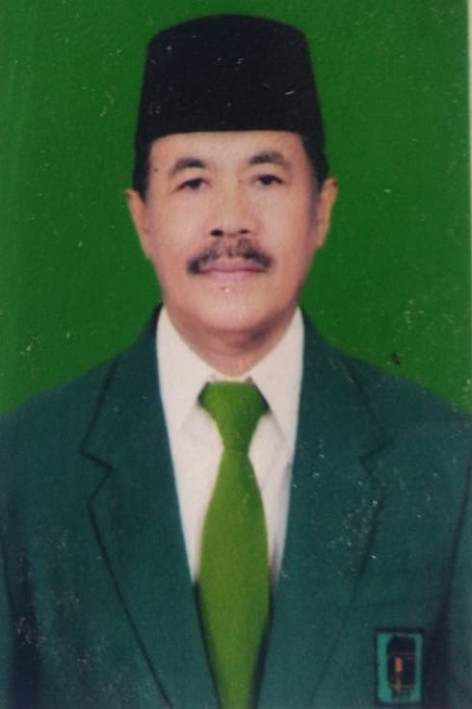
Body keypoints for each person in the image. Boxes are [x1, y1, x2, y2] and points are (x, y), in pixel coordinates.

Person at [0, 14, 471, 709]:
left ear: (321, 210)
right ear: (143, 218)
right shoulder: (24, 468)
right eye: (193, 182)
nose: (231, 221)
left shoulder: (444, 462)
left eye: (266, 178)